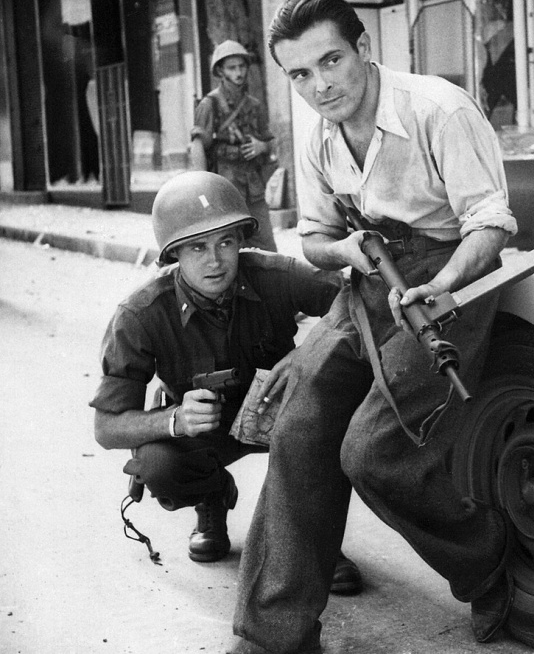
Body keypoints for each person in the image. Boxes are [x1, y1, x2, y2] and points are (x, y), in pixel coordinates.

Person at [229, 0, 518, 654]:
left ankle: (486, 556)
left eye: (330, 60)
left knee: (373, 452)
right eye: (299, 73)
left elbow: (490, 224)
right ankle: (277, 632)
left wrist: (441, 285)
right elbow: (314, 237)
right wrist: (343, 250)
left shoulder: (438, 109)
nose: (319, 85)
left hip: (454, 275)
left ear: (363, 47)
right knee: (298, 429)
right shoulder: (318, 136)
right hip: (368, 280)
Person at [90, 170, 363, 593]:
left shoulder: (275, 275)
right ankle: (212, 497)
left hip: (284, 416)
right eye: (197, 247)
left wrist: (306, 353)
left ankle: (314, 541)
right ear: (174, 254)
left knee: (329, 408)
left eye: (225, 242)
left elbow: (357, 300)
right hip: (205, 430)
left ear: (241, 241)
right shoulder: (141, 315)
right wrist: (175, 420)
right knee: (158, 465)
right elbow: (107, 427)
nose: (214, 260)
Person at [190, 40, 278, 252]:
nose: (238, 72)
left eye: (242, 66)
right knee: (229, 248)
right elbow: (198, 144)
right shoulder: (209, 104)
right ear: (220, 71)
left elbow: (272, 145)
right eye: (232, 67)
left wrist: (262, 147)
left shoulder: (254, 105)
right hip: (224, 189)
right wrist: (203, 189)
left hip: (254, 189)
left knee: (267, 249)